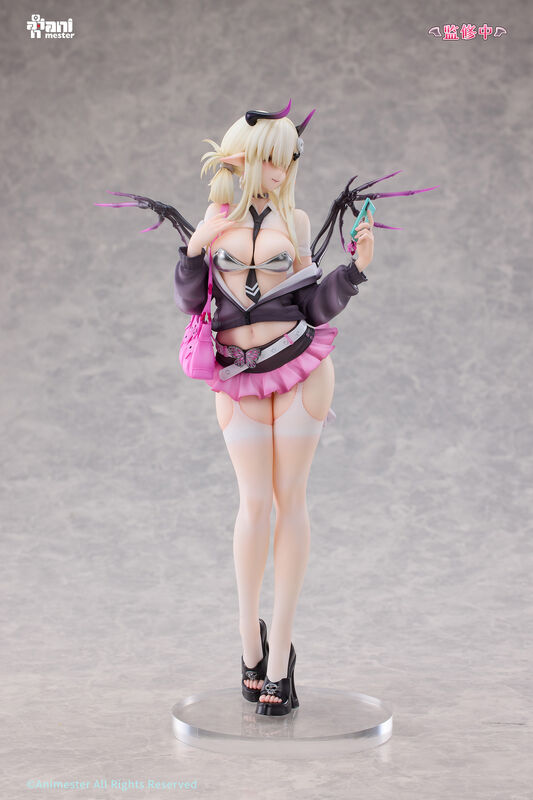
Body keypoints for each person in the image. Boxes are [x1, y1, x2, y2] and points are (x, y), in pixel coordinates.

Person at [174, 101, 374, 716]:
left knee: (291, 501)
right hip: (237, 377)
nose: (281, 173)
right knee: (253, 505)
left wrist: (355, 271)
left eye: (288, 161)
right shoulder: (214, 222)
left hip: (300, 370)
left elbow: (312, 306)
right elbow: (190, 300)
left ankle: (281, 656)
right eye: (271, 161)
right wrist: (194, 251)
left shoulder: (297, 219)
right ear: (242, 160)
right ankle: (248, 643)